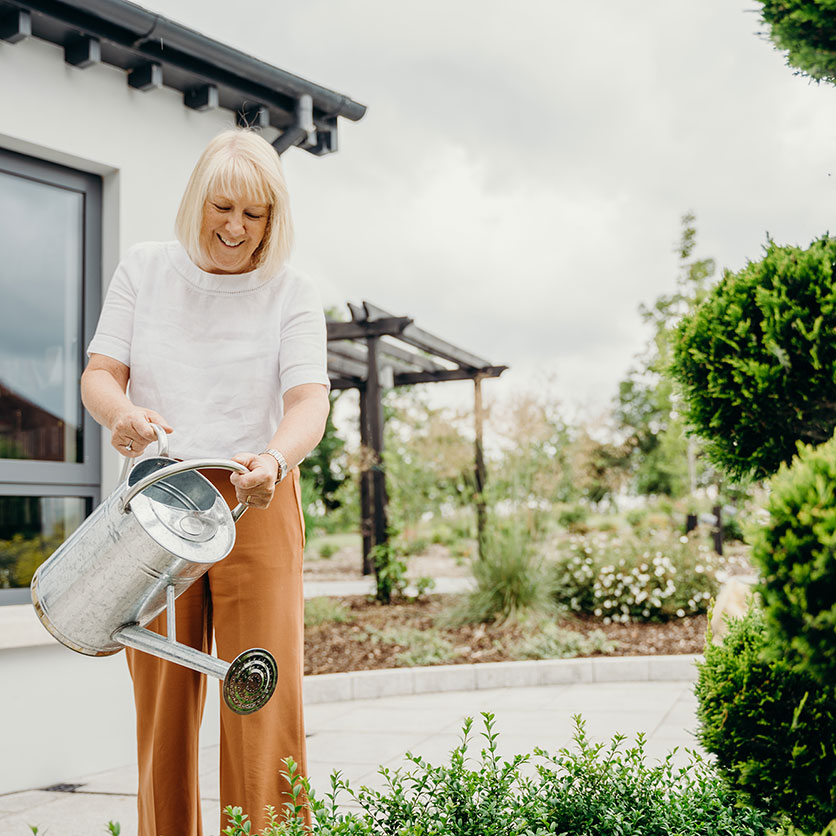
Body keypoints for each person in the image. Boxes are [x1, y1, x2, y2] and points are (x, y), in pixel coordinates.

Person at [80, 128, 330, 836]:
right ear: (199, 201)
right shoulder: (145, 269)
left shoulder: (292, 291)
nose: (234, 228)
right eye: (223, 207)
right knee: (163, 702)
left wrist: (274, 462)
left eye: (254, 216)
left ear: (274, 221)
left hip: (259, 496)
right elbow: (100, 374)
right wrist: (122, 415)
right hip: (159, 503)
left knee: (262, 693)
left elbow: (309, 400)